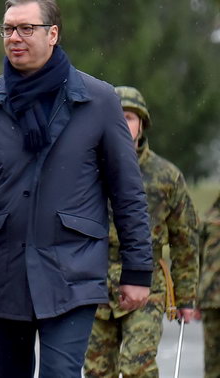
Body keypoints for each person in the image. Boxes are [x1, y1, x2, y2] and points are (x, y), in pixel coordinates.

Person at [0, 0, 152, 377]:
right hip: (1, 272)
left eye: (26, 28)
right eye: (8, 29)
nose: (14, 38)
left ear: (53, 34)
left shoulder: (98, 102)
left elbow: (127, 192)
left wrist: (137, 271)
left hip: (72, 272)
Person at [83, 86, 199, 377]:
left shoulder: (166, 176)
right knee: (97, 371)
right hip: (95, 283)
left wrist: (186, 298)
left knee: (138, 367)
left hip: (148, 284)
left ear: (142, 124)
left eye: (129, 117)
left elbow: (184, 239)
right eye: (116, 117)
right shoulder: (88, 169)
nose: (123, 124)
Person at [197, 197, 220, 377]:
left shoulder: (208, 217)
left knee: (213, 357)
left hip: (209, 294)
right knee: (212, 358)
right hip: (210, 296)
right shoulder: (208, 219)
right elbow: (196, 259)